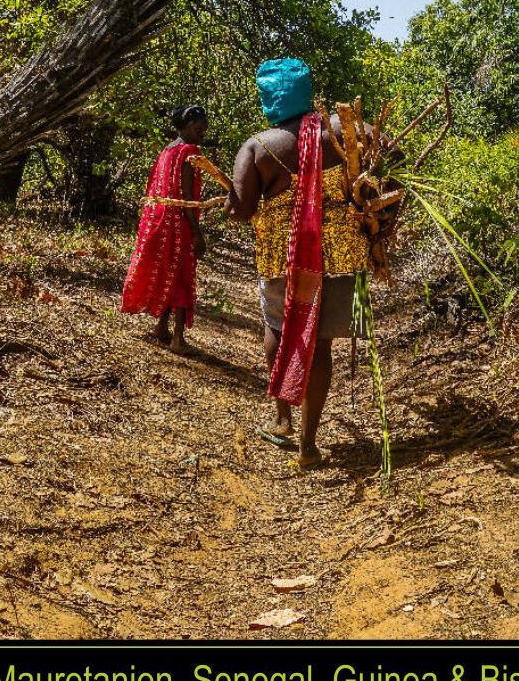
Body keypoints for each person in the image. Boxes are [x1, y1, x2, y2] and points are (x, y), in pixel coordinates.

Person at [225, 59, 372, 469]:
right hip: (344, 257)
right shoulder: (345, 132)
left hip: (283, 259)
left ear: (269, 97)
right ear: (306, 93)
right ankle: (309, 442)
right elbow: (389, 152)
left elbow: (242, 208)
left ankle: (283, 418)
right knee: (320, 341)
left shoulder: (258, 146)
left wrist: (229, 202)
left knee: (279, 326)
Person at [121, 105, 208, 354]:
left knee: (168, 269)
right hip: (178, 223)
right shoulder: (189, 152)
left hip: (157, 221)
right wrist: (197, 232)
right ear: (185, 127)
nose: (201, 135)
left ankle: (161, 328)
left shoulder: (167, 151)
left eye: (203, 131)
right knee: (181, 274)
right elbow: (187, 196)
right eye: (198, 129)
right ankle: (178, 339)